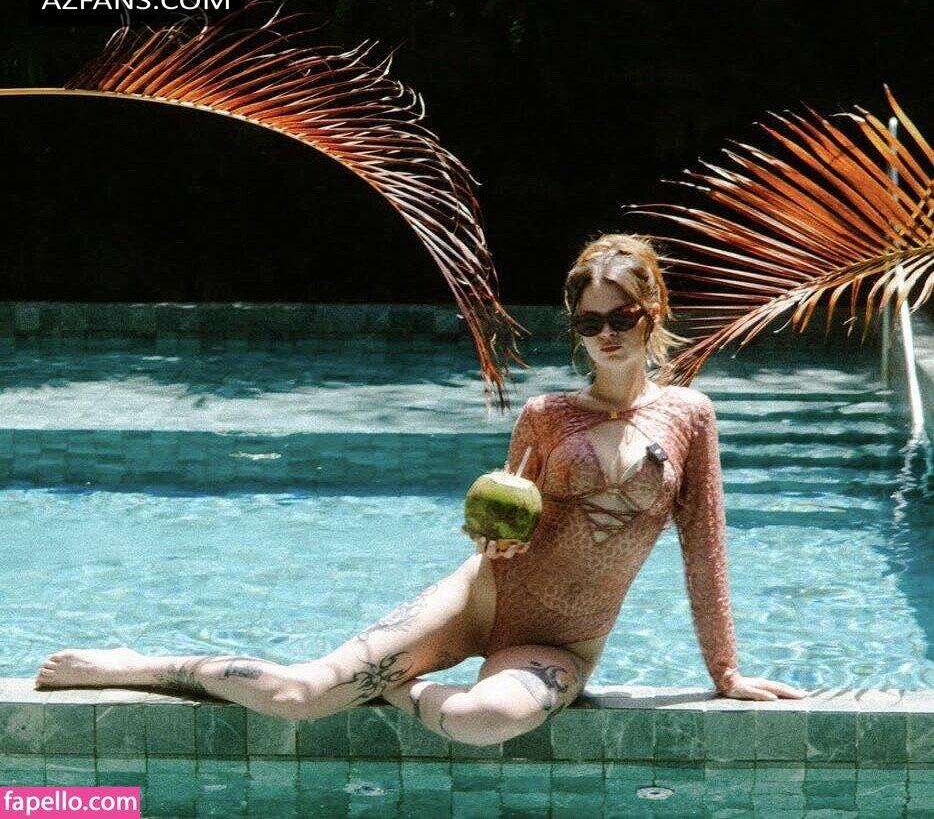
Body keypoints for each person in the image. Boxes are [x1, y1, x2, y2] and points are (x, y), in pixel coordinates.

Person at [34, 232, 806, 746]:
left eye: (621, 317)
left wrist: (726, 674)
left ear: (653, 313)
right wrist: (489, 537)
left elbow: (705, 548)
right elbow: (506, 518)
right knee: (301, 696)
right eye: (588, 322)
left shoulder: (689, 417)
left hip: (560, 643)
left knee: (479, 721)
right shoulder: (546, 415)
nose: (605, 334)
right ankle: (135, 663)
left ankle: (394, 688)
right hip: (479, 598)